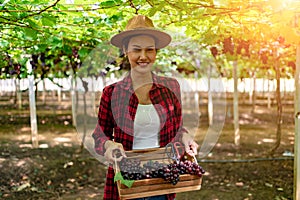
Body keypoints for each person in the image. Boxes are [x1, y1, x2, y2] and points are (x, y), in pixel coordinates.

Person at [92, 15, 199, 200]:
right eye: (136, 50)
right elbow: (99, 136)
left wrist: (187, 137)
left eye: (149, 50)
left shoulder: (171, 87)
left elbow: (178, 128)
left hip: (161, 178)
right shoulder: (111, 93)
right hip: (127, 180)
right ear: (126, 51)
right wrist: (108, 145)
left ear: (156, 52)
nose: (143, 56)